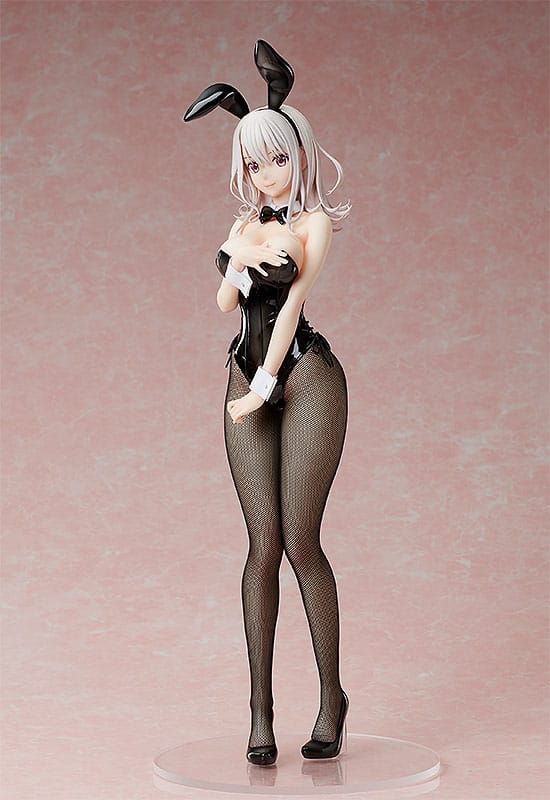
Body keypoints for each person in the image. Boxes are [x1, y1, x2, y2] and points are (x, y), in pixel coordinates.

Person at [183, 40, 351, 768]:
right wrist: (238, 254)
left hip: (305, 376)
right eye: (254, 164)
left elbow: (292, 306)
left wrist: (263, 386)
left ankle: (331, 700)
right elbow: (226, 302)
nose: (267, 174)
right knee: (261, 545)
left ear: (298, 154)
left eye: (277, 158)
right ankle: (259, 713)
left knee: (301, 542)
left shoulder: (312, 224)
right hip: (242, 370)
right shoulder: (247, 224)